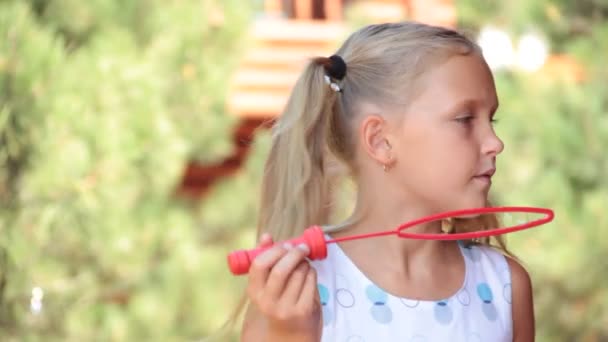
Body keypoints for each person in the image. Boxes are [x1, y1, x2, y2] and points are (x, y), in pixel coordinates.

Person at [240, 21, 534, 342]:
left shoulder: (504, 286)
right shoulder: (294, 294)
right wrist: (291, 334)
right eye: (465, 119)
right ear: (380, 141)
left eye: (490, 119)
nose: (495, 142)